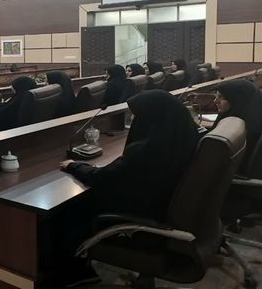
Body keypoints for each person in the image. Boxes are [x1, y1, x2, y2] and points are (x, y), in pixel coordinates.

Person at [51, 90, 200, 287]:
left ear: (151, 118)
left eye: (137, 116)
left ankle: (73, 272)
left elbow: (101, 178)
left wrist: (74, 165)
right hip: (160, 206)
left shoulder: (147, 150)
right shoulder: (183, 139)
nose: (135, 121)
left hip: (139, 211)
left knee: (63, 211)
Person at [213, 80, 262, 175]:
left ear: (238, 101)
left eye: (221, 97)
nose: (215, 101)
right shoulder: (252, 118)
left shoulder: (239, 131)